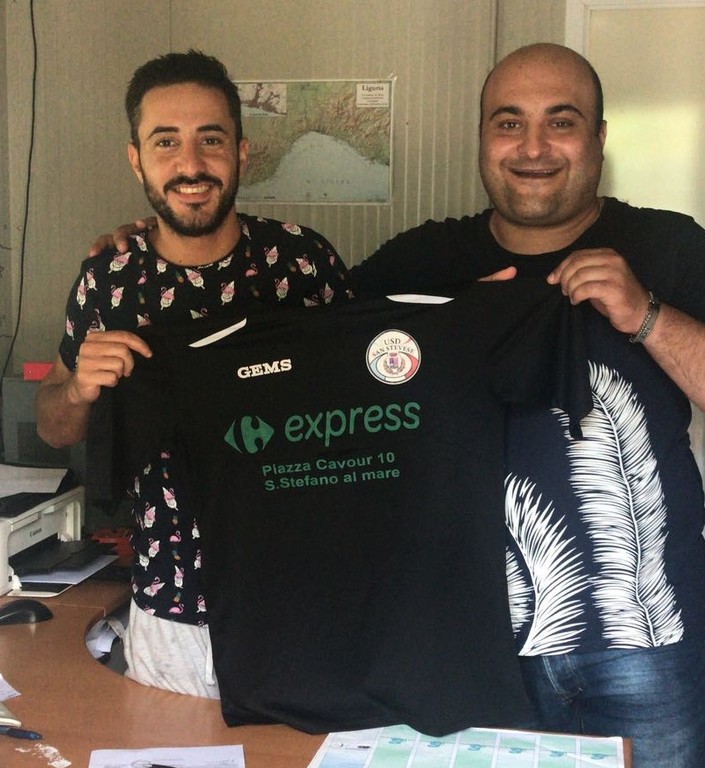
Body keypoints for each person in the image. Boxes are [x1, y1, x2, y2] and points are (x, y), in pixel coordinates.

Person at [98, 43, 705, 766]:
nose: (533, 147)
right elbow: (303, 357)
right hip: (462, 645)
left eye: (561, 121)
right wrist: (159, 248)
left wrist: (646, 315)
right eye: (509, 122)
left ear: (599, 137)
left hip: (643, 641)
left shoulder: (666, 245)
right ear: (482, 137)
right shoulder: (421, 262)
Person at [36, 50, 350, 699]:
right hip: (170, 611)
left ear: (241, 152)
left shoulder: (302, 263)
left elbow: (366, 412)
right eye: (165, 142)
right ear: (136, 159)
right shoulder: (108, 281)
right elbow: (53, 426)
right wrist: (78, 388)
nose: (190, 164)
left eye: (210, 140)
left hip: (304, 601)